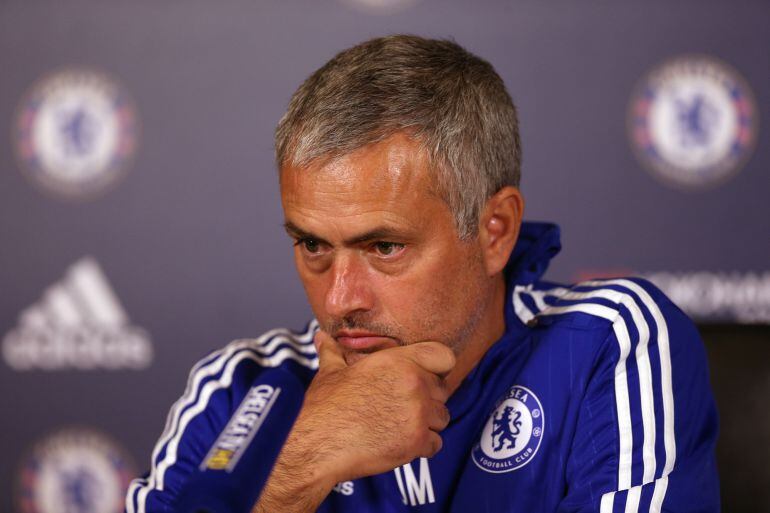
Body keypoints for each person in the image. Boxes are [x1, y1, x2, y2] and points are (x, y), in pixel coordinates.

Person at [125, 35, 719, 513]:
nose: (339, 299)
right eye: (312, 245)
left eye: (384, 247)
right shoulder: (241, 388)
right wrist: (304, 462)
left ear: (495, 231)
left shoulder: (607, 344)